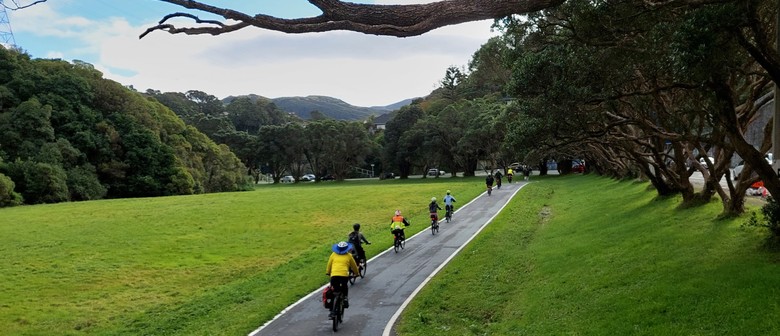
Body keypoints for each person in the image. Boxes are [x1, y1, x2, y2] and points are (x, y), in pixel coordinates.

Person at [326, 241, 360, 313]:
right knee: (344, 287)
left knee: (334, 290)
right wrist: (357, 274)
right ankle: (345, 298)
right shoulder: (349, 256)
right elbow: (354, 266)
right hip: (344, 275)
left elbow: (329, 265)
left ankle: (332, 309)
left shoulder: (333, 255)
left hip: (334, 275)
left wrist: (328, 272)